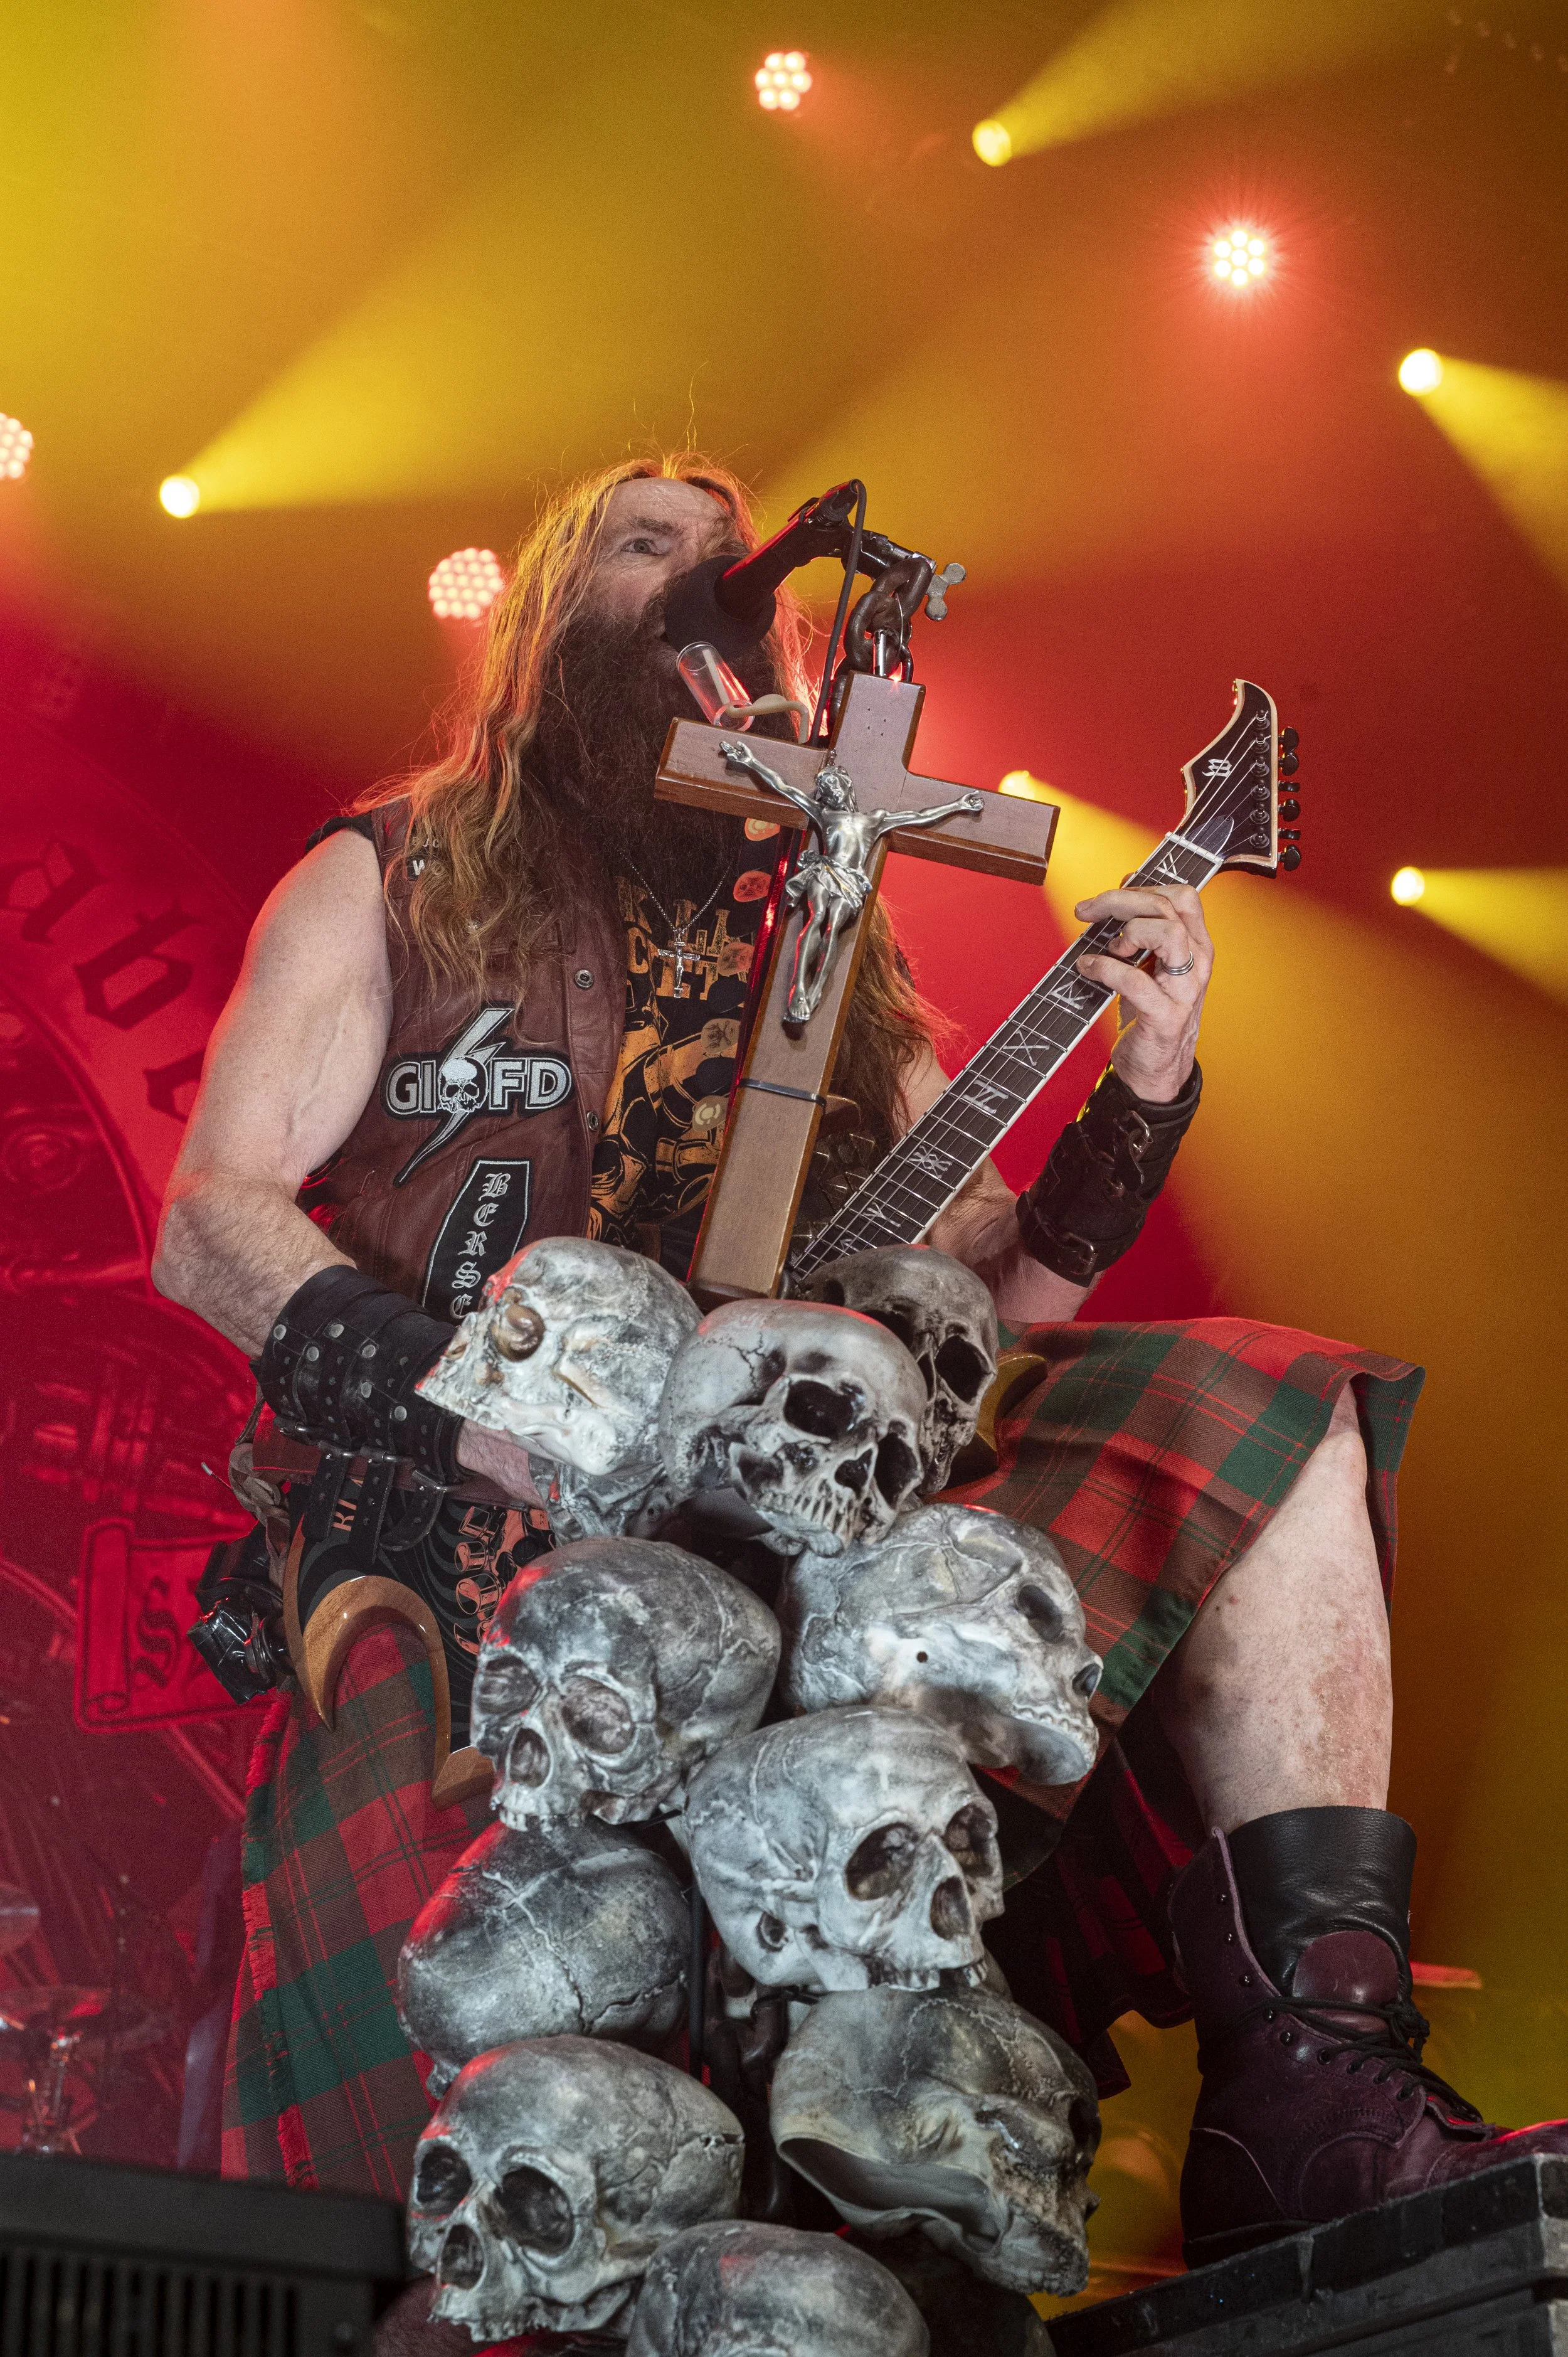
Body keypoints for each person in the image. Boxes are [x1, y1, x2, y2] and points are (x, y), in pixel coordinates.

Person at [155, 453, 1568, 2257]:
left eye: (737, 567)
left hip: (817, 1521)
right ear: (530, 623)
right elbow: (212, 1219)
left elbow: (985, 1312)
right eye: (643, 547)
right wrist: (491, 1413)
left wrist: (1138, 1095)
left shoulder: (818, 919)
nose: (702, 585)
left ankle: (1310, 2090)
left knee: (1265, 1413)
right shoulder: (392, 873)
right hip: (474, 1553)